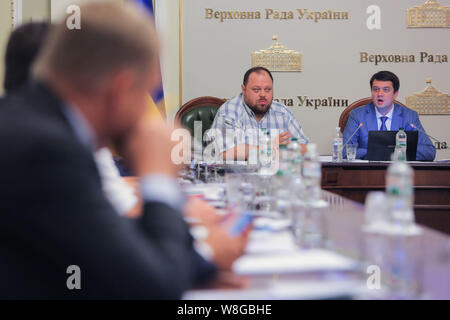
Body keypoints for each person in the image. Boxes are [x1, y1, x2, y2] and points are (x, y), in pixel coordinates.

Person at [0, 2, 248, 299]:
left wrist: (199, 261)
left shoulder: (36, 123)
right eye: (144, 92)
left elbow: (103, 249)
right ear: (120, 89)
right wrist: (158, 180)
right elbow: (151, 288)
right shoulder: (47, 149)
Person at [209, 66, 309, 160]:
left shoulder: (282, 112)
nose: (263, 94)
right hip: (239, 176)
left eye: (267, 89)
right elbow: (227, 153)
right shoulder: (229, 111)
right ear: (244, 90)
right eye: (256, 90)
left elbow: (305, 148)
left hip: (277, 175)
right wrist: (271, 148)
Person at [343, 71, 436, 161]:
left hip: (399, 172)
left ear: (395, 94)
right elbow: (344, 151)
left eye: (386, 90)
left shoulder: (409, 116)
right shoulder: (357, 115)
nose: (380, 94)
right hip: (367, 173)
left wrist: (392, 152)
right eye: (376, 89)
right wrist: (377, 151)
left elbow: (429, 151)